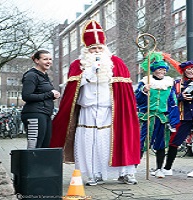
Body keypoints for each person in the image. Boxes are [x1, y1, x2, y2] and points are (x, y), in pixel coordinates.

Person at [50, 20, 140, 186]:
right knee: (90, 142)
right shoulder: (78, 65)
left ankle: (125, 173)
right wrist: (89, 73)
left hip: (111, 111)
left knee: (116, 140)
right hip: (88, 110)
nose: (97, 52)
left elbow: (125, 93)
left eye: (99, 48)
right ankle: (94, 174)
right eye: (93, 49)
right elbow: (72, 89)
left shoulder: (116, 63)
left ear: (104, 48)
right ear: (87, 50)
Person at [135, 53, 179, 178]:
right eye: (160, 69)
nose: (162, 72)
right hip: (148, 117)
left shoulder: (169, 84)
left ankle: (159, 169)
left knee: (161, 144)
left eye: (164, 70)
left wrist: (173, 120)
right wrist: (144, 91)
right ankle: (132, 170)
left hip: (162, 118)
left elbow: (173, 102)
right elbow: (137, 100)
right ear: (154, 70)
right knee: (142, 144)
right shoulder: (145, 82)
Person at [21, 50, 61, 149]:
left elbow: (42, 93)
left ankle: (40, 165)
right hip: (35, 114)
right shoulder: (31, 75)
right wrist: (49, 94)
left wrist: (52, 96)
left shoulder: (44, 76)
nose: (49, 61)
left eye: (50, 59)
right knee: (34, 147)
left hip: (45, 114)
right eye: (45, 59)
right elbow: (26, 96)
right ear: (37, 60)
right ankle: (30, 165)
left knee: (44, 147)